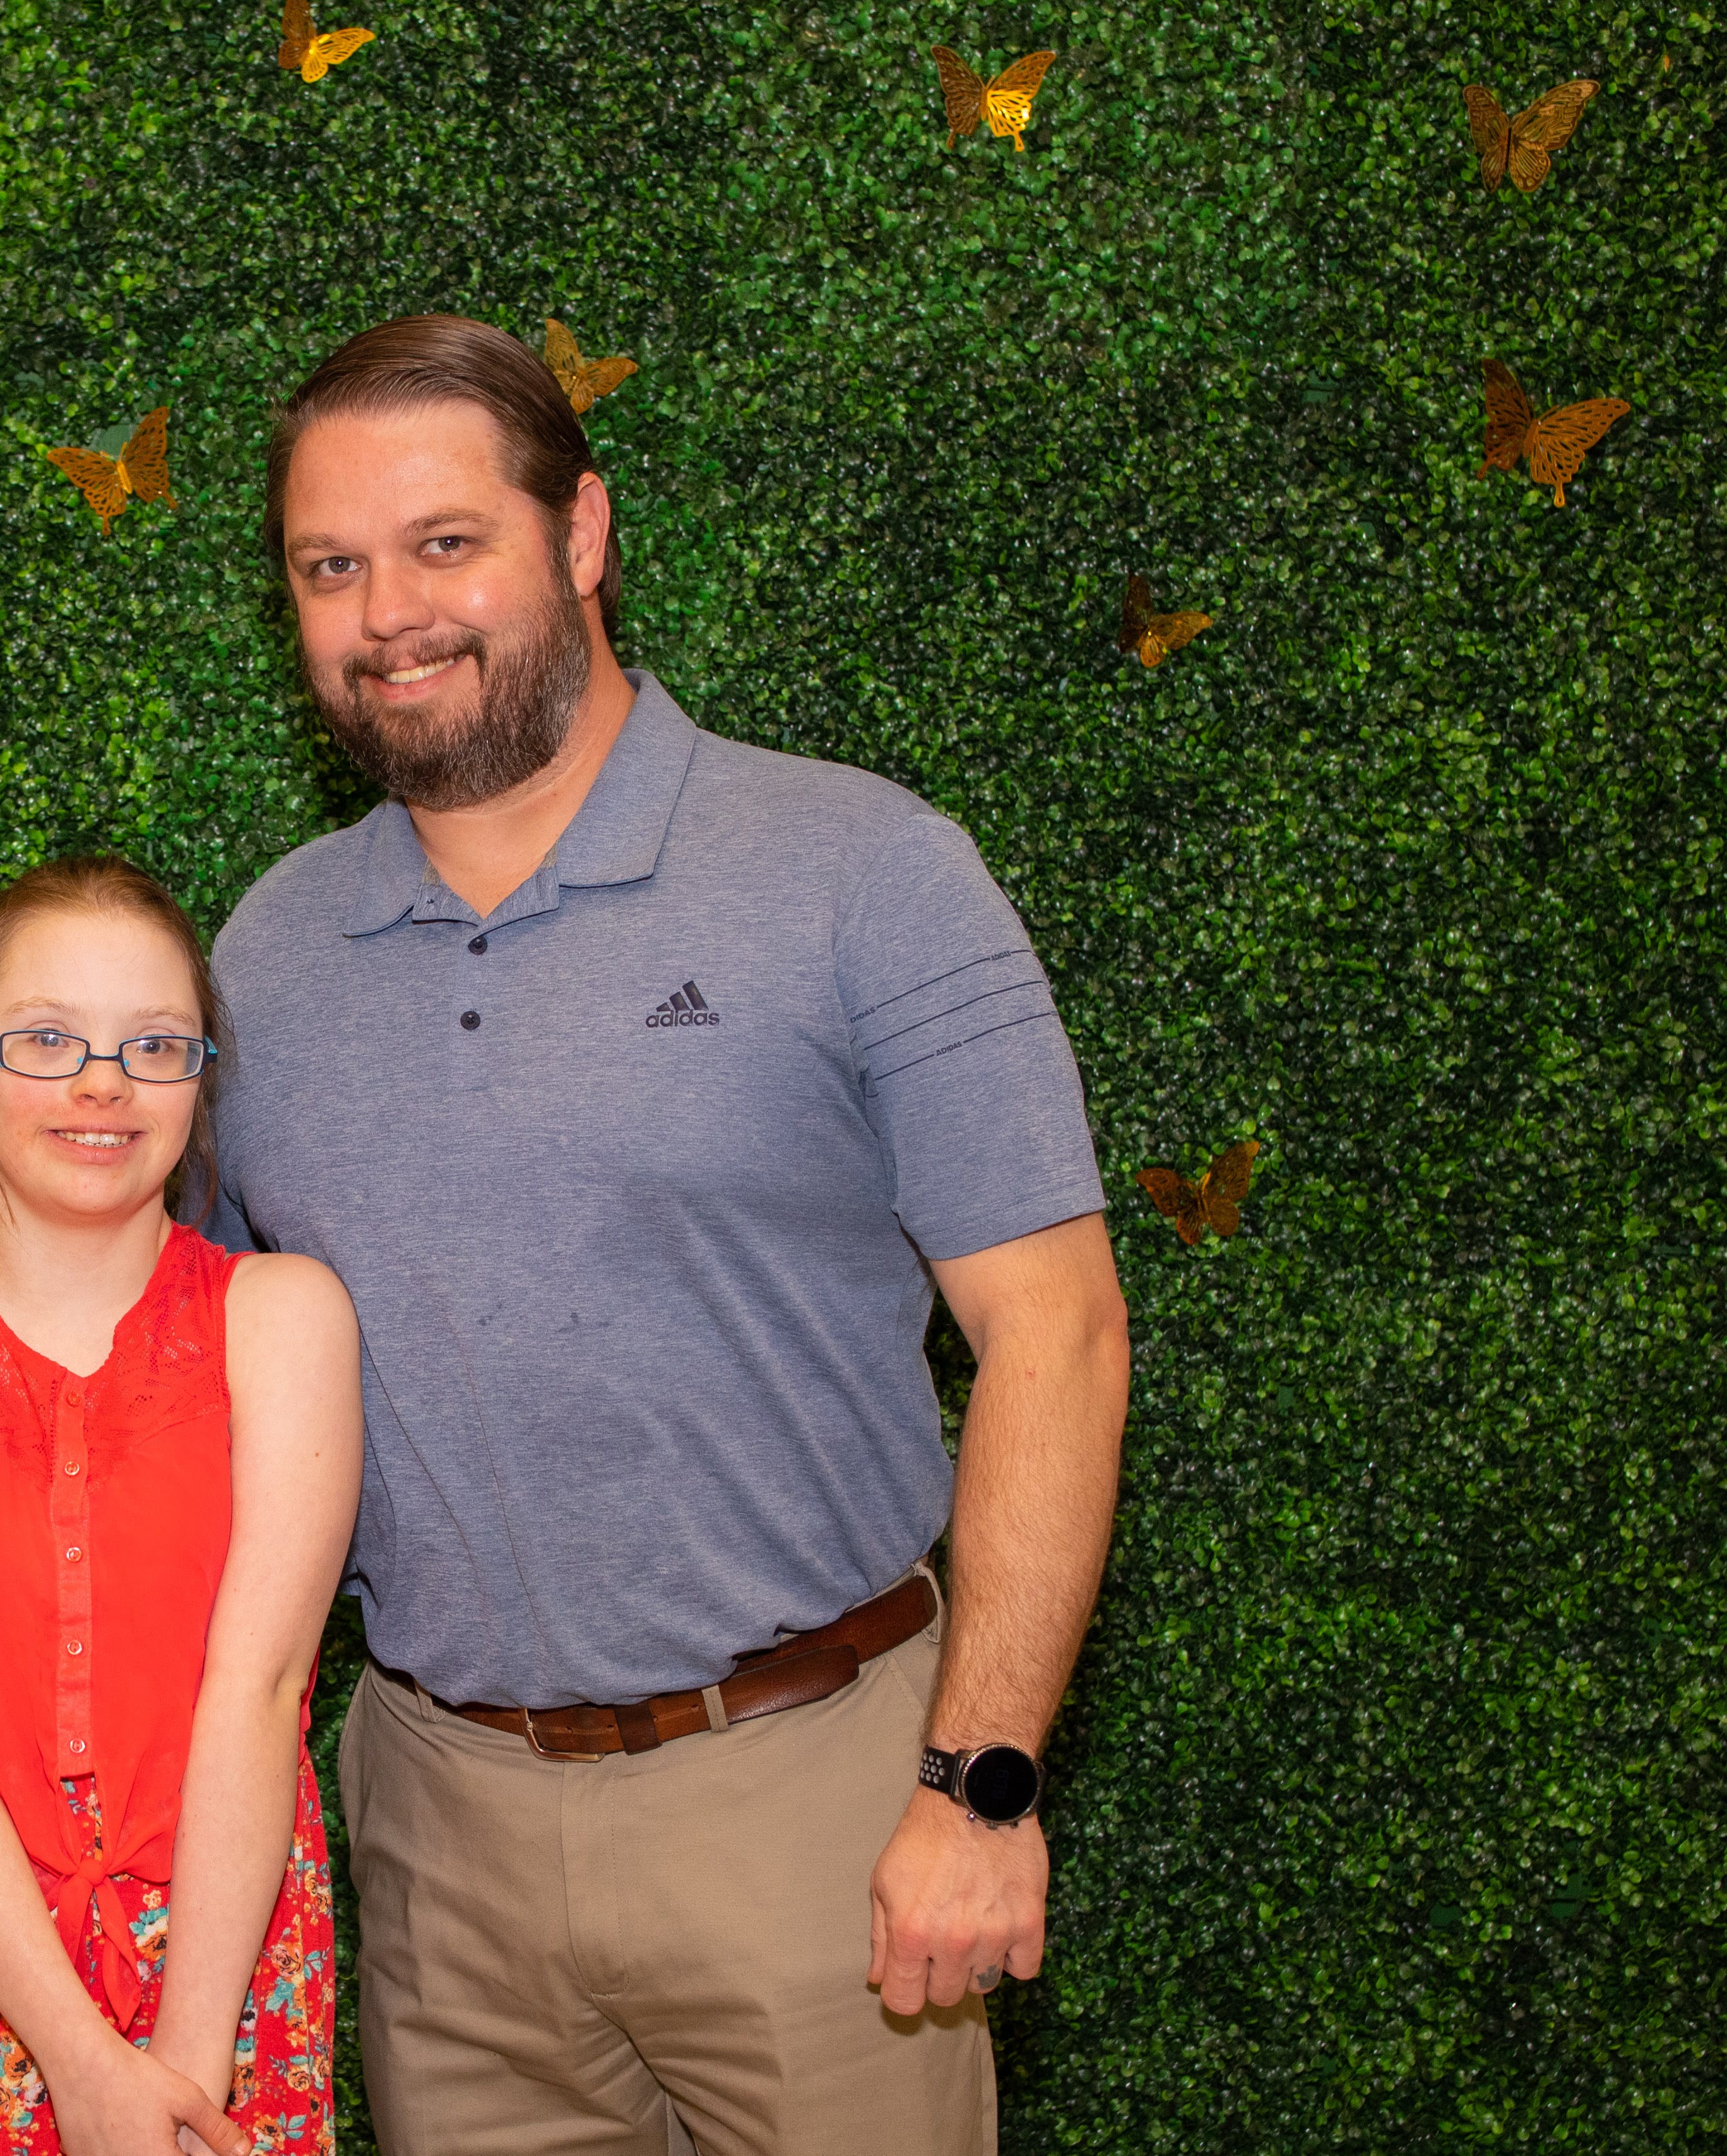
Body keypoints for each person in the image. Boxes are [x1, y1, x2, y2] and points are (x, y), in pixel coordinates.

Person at [204, 314, 1132, 2155]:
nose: (389, 613)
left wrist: (980, 1783)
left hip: (819, 1810)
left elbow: (1060, 1334)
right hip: (438, 1831)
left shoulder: (864, 870)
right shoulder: (265, 953)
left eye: (444, 542)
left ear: (582, 532)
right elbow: (195, 1374)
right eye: (330, 566)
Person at [0, 857, 364, 2156]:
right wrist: (84, 2065)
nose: (104, 1084)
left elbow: (262, 1685)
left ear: (200, 1077)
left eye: (154, 1044)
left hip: (223, 1960)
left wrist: (188, 2067)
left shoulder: (283, 1322)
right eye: (47, 1038)